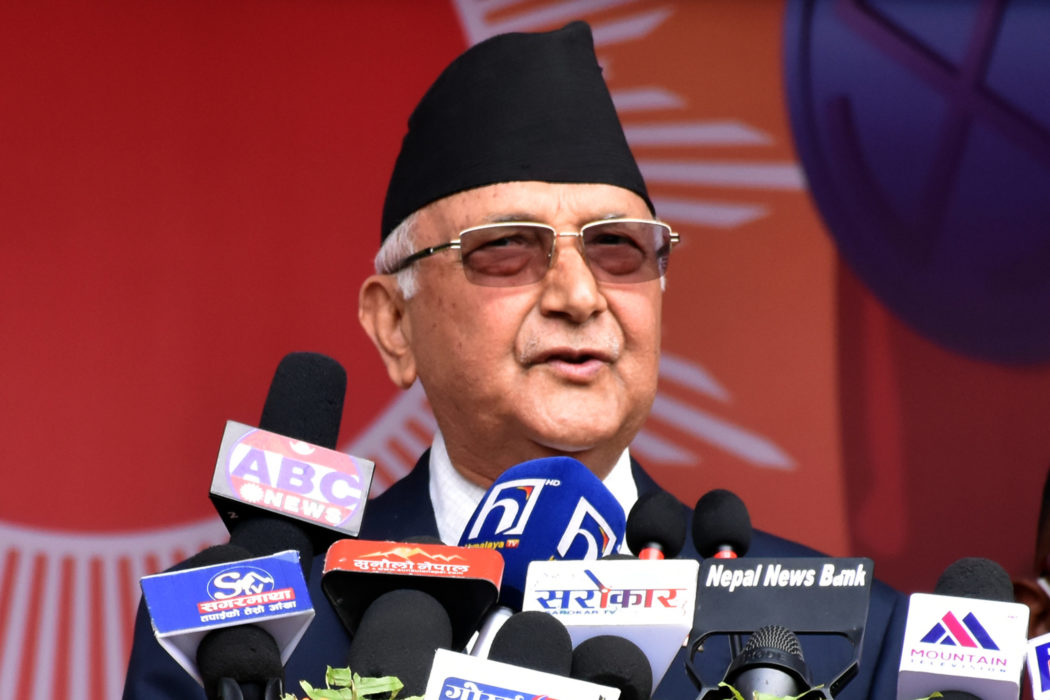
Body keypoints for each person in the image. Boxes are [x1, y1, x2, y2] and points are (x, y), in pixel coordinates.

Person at [124, 21, 905, 699]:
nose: (580, 296)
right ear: (394, 324)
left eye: (618, 248)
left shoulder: (850, 636)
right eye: (505, 249)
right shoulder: (236, 631)